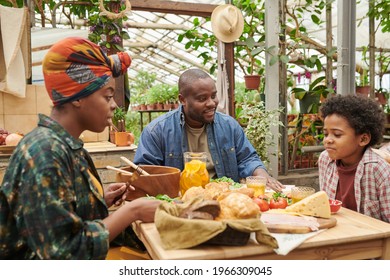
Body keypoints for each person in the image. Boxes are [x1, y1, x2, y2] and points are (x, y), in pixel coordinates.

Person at [0, 37, 160, 259]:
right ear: (76, 97)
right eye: (108, 96)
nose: (114, 105)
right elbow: (63, 253)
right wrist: (131, 212)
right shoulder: (44, 152)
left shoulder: (70, 147)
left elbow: (58, 216)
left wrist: (97, 200)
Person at [133, 68, 284, 191]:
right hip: (180, 205)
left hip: (224, 200)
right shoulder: (157, 132)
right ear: (183, 100)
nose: (212, 103)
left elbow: (248, 158)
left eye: (213, 96)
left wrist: (261, 174)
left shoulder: (229, 126)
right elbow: (144, 173)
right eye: (202, 98)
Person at [318, 94, 390, 222]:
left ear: (363, 139)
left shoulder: (378, 170)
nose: (327, 140)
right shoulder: (325, 159)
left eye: (337, 134)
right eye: (325, 133)